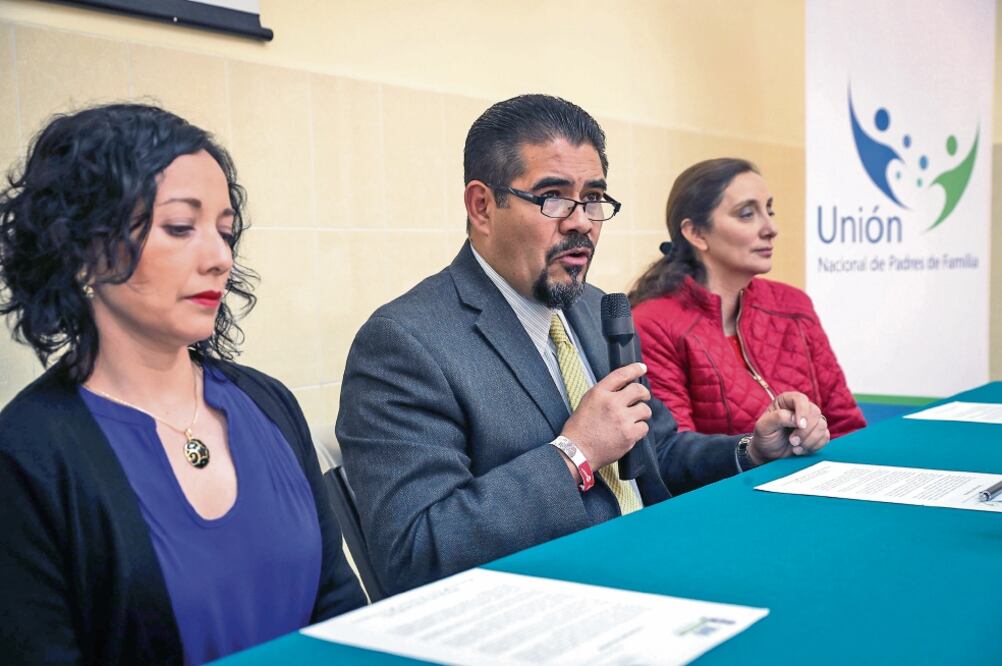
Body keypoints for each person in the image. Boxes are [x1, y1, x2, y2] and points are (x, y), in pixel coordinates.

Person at [336, 95, 831, 596]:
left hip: (659, 569)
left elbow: (655, 452)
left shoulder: (596, 309)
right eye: (552, 197)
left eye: (593, 198)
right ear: (482, 206)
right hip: (547, 603)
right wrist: (575, 454)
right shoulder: (404, 343)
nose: (581, 222)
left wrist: (750, 450)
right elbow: (416, 553)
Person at [0, 104, 366, 665]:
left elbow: (338, 602)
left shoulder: (268, 403)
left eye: (225, 231)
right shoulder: (26, 456)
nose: (220, 258)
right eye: (179, 227)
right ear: (84, 248)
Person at [629, 158, 865, 438]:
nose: (771, 228)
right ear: (696, 233)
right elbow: (674, 452)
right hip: (735, 471)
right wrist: (756, 450)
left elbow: (846, 426)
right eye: (746, 214)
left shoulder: (793, 304)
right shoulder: (653, 324)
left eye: (769, 210)